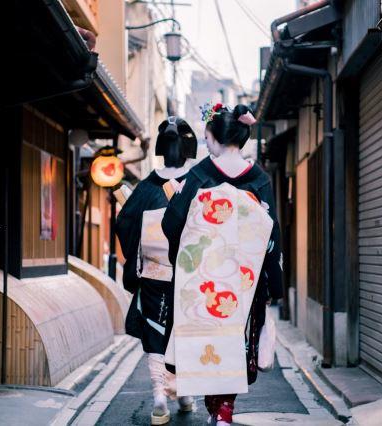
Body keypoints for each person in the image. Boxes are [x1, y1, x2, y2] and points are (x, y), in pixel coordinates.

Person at [161, 104, 283, 426]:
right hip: (243, 282)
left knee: (204, 344)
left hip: (202, 281)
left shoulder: (200, 174)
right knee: (234, 343)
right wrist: (273, 283)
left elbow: (172, 223)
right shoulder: (258, 179)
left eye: (206, 136)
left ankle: (219, 409)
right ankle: (224, 409)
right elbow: (272, 236)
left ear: (213, 137)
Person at [116, 117, 198, 425]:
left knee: (154, 332)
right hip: (189, 274)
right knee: (184, 331)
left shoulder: (147, 186)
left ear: (161, 149)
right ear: (189, 147)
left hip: (153, 274)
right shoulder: (198, 181)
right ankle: (186, 393)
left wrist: (139, 247)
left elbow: (124, 223)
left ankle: (159, 396)